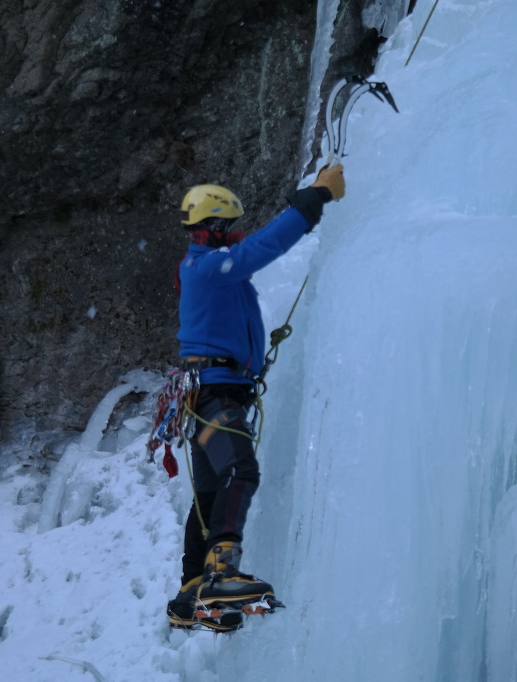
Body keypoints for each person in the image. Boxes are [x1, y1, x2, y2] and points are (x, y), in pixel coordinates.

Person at [166, 164, 346, 631]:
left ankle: (192, 593)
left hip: (209, 393)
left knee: (210, 494)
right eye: (229, 225)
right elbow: (262, 247)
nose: (236, 232)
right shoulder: (210, 268)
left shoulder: (207, 268)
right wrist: (315, 197)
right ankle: (221, 571)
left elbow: (252, 247)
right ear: (214, 226)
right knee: (239, 470)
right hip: (215, 393)